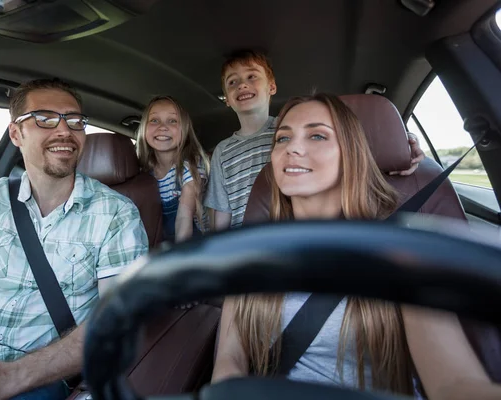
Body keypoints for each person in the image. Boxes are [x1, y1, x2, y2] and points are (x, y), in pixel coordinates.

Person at [212, 94, 501, 400]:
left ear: (350, 153)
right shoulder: (247, 255)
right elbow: (229, 364)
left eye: (317, 135)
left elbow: (452, 384)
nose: (292, 148)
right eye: (283, 138)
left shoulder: (402, 255)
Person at [0, 78, 149, 400]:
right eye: (45, 118)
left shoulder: (116, 215)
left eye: (75, 121)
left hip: (36, 377)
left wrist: (10, 376)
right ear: (16, 134)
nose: (64, 131)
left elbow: (117, 321)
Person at [204, 49, 425, 231]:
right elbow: (221, 209)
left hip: (285, 225)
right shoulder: (223, 151)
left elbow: (349, 146)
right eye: (232, 82)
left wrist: (401, 143)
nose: (242, 85)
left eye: (252, 76)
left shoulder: (288, 127)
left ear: (271, 87)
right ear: (226, 99)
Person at [136, 95, 210, 243]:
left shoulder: (190, 165)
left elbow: (184, 217)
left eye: (172, 121)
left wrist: (179, 259)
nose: (162, 127)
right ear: (144, 128)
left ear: (185, 129)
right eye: (154, 120)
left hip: (192, 243)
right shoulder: (143, 171)